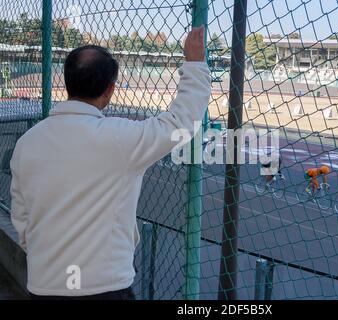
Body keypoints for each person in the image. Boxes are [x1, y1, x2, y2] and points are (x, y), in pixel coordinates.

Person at [9, 26, 210, 300]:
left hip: (44, 284)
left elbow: (21, 217)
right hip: (104, 287)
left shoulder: (27, 143)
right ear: (110, 89)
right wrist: (195, 65)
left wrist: (47, 260)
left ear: (67, 82)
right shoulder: (120, 137)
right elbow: (182, 123)